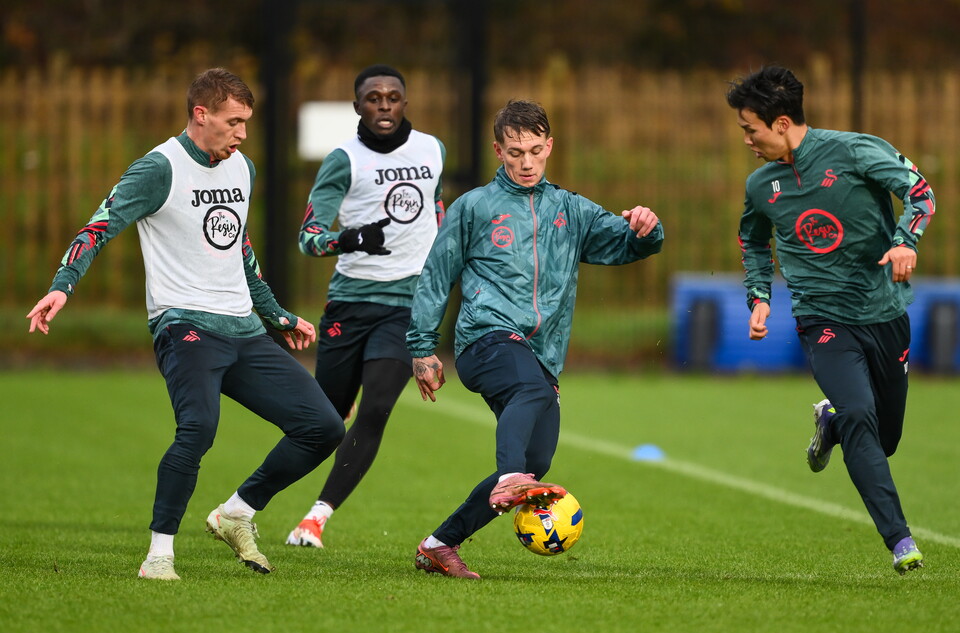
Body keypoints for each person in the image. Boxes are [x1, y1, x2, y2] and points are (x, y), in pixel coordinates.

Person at [26, 68, 345, 581]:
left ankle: (236, 512)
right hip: (184, 325)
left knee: (324, 427)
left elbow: (239, 251)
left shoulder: (242, 167)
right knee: (199, 427)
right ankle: (159, 555)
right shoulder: (159, 168)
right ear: (201, 115)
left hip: (243, 328)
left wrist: (276, 315)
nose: (242, 133)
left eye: (246, 122)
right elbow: (99, 225)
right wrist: (63, 284)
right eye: (233, 122)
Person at [407, 99, 664, 579]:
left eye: (534, 151)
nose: (525, 162)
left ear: (550, 146)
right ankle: (508, 478)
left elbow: (626, 242)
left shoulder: (570, 208)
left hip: (541, 357)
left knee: (535, 465)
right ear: (497, 151)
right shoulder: (474, 207)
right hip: (485, 341)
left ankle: (439, 544)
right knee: (523, 428)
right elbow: (436, 276)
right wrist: (422, 347)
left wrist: (646, 229)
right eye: (514, 152)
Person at [726, 66, 935, 574]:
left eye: (750, 129)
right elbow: (752, 239)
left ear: (780, 123)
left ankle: (832, 422)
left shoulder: (856, 151)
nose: (747, 140)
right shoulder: (760, 186)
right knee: (861, 414)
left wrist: (905, 241)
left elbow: (921, 193)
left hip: (884, 313)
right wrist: (759, 297)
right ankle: (900, 539)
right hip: (821, 319)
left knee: (882, 438)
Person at [286, 64, 445, 548]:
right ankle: (243, 506)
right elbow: (308, 239)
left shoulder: (433, 150)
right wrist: (349, 238)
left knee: (376, 407)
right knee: (327, 422)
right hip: (350, 304)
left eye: (392, 97)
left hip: (408, 305)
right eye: (373, 98)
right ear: (357, 106)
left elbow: (436, 213)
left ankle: (317, 516)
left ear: (405, 103)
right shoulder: (343, 161)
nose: (383, 105)